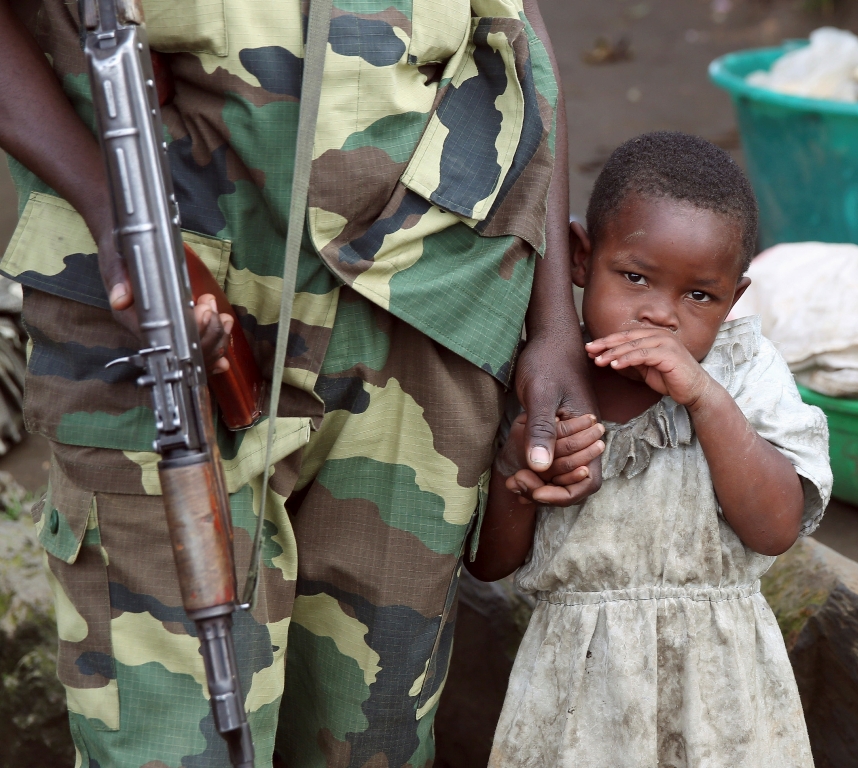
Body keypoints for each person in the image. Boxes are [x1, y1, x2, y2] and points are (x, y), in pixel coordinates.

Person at [0, 0, 601, 765]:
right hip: (165, 308)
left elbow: (518, 25)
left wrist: (553, 323)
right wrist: (107, 207)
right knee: (168, 741)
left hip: (423, 304)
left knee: (372, 739)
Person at [467, 132, 833, 768]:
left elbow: (775, 529)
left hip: (726, 703)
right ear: (580, 258)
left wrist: (705, 398)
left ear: (734, 300)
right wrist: (515, 470)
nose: (660, 317)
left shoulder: (744, 371)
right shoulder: (547, 384)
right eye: (635, 278)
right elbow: (491, 564)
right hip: (579, 702)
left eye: (699, 296)